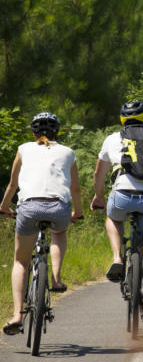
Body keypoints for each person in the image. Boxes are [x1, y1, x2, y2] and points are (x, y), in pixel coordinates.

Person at [90, 101, 143, 323]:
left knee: (112, 217)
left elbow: (99, 173)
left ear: (122, 119)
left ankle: (118, 256)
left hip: (122, 196)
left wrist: (98, 196)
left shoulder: (112, 139)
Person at [0, 113, 83, 336]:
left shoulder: (24, 148)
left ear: (33, 133)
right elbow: (75, 189)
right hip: (58, 208)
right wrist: (78, 212)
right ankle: (56, 279)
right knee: (59, 232)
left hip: (28, 208)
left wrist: (4, 207)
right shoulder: (68, 152)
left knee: (20, 261)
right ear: (57, 132)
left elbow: (13, 184)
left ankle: (17, 315)